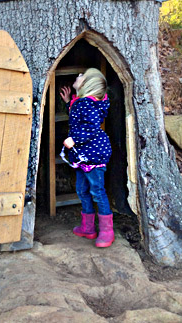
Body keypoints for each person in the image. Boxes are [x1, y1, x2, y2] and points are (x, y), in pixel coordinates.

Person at [59, 68, 114, 247]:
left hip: (93, 155)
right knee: (82, 189)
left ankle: (107, 231)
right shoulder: (83, 103)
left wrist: (74, 139)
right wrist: (69, 102)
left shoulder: (86, 104)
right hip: (84, 155)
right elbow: (79, 118)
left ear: (87, 84)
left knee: (97, 192)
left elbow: (91, 127)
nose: (78, 76)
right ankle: (88, 227)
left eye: (83, 76)